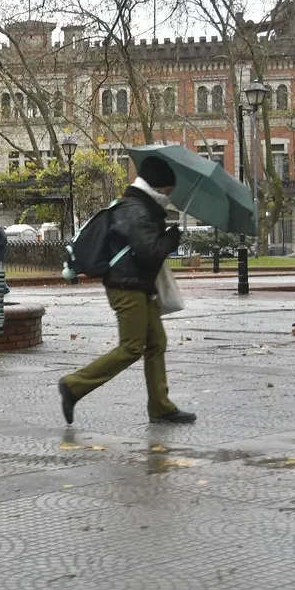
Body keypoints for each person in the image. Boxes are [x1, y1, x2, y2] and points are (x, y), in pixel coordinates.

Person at [57, 156, 196, 425]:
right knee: (132, 347)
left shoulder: (141, 207)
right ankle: (74, 385)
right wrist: (171, 237)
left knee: (156, 343)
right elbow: (149, 253)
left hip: (138, 286)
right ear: (156, 187)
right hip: (127, 287)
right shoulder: (137, 210)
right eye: (167, 191)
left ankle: (161, 406)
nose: (169, 196)